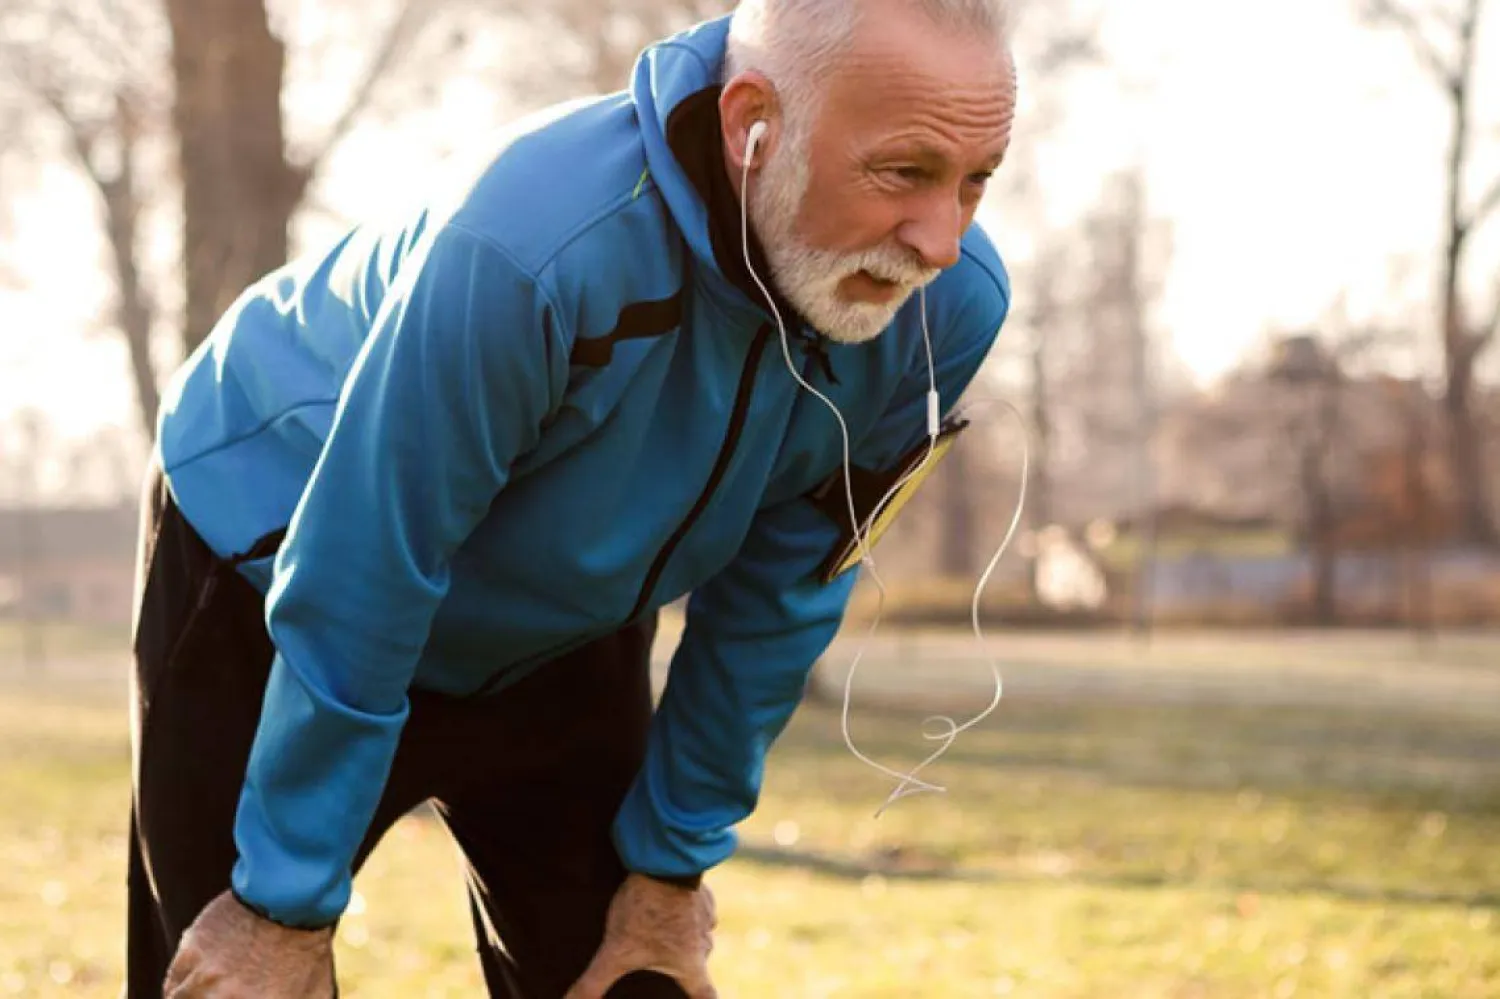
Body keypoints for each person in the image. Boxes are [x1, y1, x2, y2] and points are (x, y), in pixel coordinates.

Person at [128, 0, 1018, 995]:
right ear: (750, 125)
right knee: (238, 976)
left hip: (564, 625)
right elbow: (366, 566)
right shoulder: (532, 244)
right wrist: (281, 902)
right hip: (281, 562)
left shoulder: (946, 309)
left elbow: (782, 594)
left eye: (976, 181)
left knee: (633, 976)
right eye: (904, 173)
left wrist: (672, 862)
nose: (940, 239)